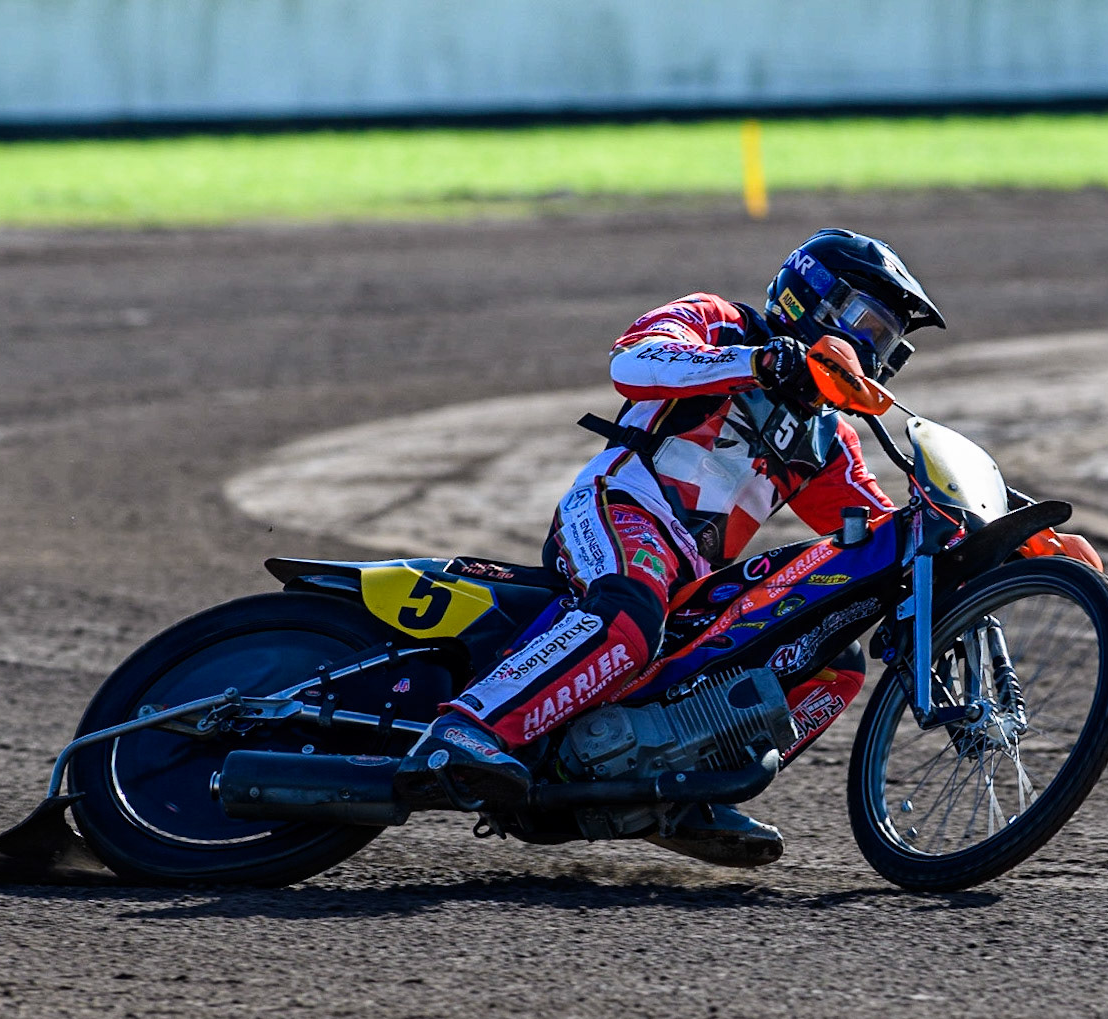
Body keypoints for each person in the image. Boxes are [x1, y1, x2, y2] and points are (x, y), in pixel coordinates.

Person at [396, 228, 946, 865]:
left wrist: (1010, 541)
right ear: (813, 298)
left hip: (690, 575)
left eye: (888, 344)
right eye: (870, 328)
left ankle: (669, 793)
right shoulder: (718, 322)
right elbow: (633, 363)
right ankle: (465, 730)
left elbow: (879, 529)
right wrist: (762, 363)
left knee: (835, 655)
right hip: (618, 509)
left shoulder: (828, 437)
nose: (875, 354)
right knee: (631, 613)